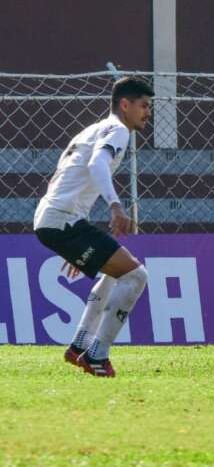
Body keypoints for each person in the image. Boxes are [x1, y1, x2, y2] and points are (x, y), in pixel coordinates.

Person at [34, 76, 155, 377]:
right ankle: (97, 355)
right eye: (143, 106)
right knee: (136, 276)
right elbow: (96, 166)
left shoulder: (92, 129)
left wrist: (70, 237)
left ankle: (79, 346)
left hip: (55, 218)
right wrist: (115, 205)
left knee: (114, 274)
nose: (147, 113)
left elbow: (65, 176)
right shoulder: (118, 130)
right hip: (62, 219)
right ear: (124, 105)